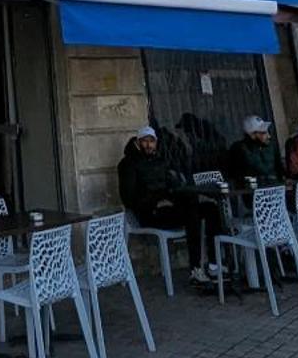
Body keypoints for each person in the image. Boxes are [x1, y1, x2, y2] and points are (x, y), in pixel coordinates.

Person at [117, 126, 225, 287]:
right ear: (138, 143)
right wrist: (156, 200)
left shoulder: (160, 160)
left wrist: (174, 192)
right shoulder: (128, 164)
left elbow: (171, 184)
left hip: (169, 208)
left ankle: (214, 264)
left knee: (210, 209)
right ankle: (195, 268)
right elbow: (129, 198)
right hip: (149, 213)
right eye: (145, 141)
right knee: (191, 213)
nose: (148, 145)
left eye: (151, 141)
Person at [224, 115, 281, 188]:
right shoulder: (240, 149)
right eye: (263, 133)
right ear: (252, 135)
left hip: (274, 189)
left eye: (268, 132)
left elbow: (279, 169)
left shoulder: (270, 147)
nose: (268, 136)